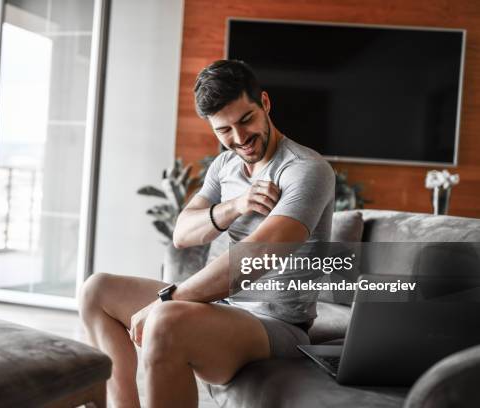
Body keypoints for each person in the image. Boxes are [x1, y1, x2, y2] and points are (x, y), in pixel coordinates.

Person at [79, 59, 335, 408]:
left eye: (246, 120)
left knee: (166, 320)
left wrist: (165, 300)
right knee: (96, 291)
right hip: (225, 308)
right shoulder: (225, 165)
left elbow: (258, 255)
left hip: (279, 326)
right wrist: (235, 205)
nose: (239, 138)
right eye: (224, 130)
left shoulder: (305, 170)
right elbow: (183, 233)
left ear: (265, 103)